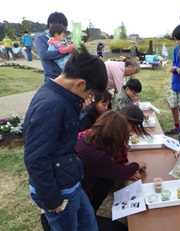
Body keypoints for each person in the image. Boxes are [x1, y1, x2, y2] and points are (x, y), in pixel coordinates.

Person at [24, 51, 107, 230]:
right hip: (59, 189)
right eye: (90, 93)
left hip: (69, 179)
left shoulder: (62, 97)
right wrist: (52, 199)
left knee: (88, 223)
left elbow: (63, 137)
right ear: (79, 83)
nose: (88, 99)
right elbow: (35, 158)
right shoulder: (51, 104)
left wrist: (79, 108)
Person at [36, 12, 70, 80]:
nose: (64, 29)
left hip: (67, 75)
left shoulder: (61, 37)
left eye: (65, 27)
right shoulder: (41, 38)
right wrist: (66, 51)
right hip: (53, 77)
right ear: (51, 24)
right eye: (63, 26)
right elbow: (44, 55)